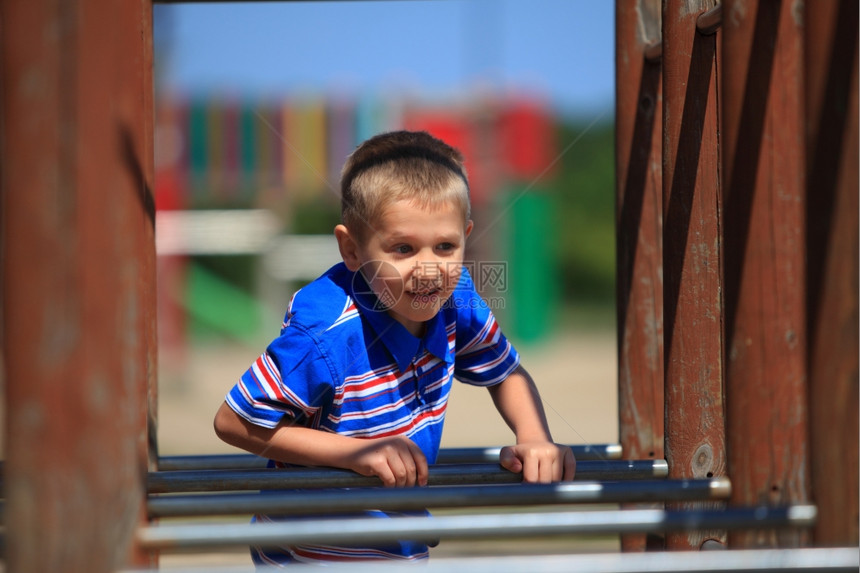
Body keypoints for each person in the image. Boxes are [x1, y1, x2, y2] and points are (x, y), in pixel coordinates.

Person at [214, 130, 576, 565]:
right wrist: (357, 453)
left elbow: (507, 373)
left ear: (466, 236)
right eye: (402, 248)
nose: (428, 270)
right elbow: (233, 421)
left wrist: (534, 436)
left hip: (398, 537)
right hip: (311, 548)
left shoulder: (457, 298)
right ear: (351, 248)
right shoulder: (328, 333)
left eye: (445, 246)